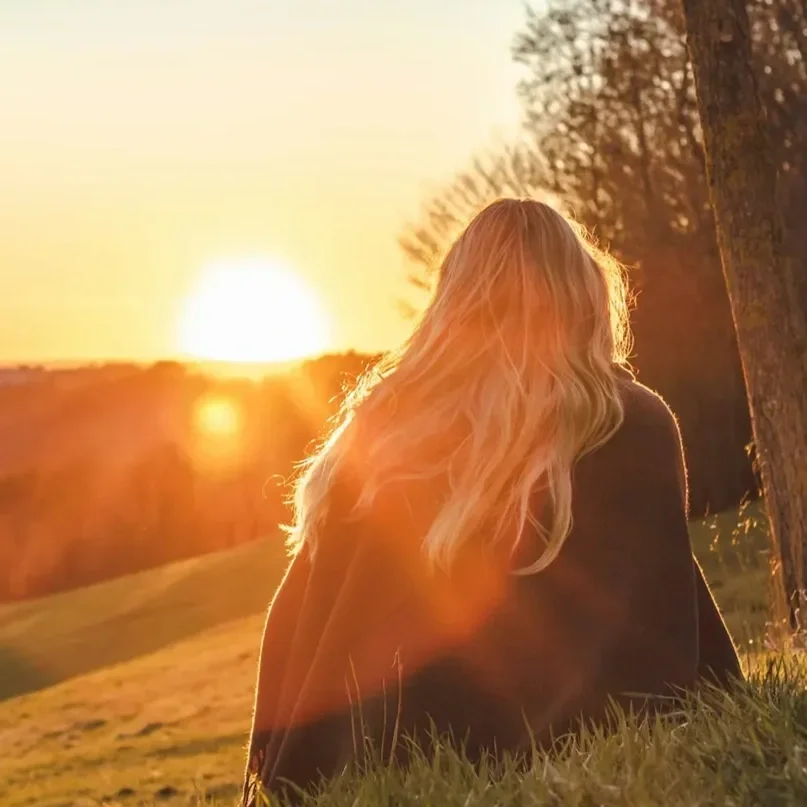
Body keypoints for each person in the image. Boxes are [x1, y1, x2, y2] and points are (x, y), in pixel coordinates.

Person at [241, 198, 742, 805]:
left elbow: (296, 618)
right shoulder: (627, 422)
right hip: (547, 756)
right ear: (583, 296)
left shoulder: (380, 430)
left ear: (452, 302)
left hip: (363, 763)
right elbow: (654, 617)